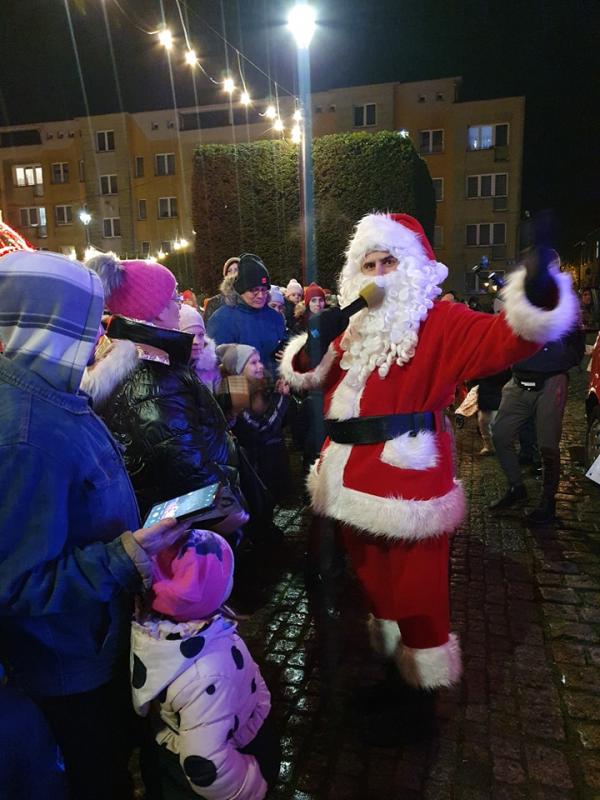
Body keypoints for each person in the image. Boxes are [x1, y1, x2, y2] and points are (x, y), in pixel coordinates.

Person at [279, 212, 577, 745]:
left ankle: (420, 703)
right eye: (369, 264)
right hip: (349, 482)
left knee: (417, 595)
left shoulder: (438, 319)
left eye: (388, 262)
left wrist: (536, 296)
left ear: (413, 267)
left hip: (406, 486)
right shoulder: (353, 328)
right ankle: (395, 678)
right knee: (376, 588)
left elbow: (504, 339)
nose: (378, 274)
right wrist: (318, 334)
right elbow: (305, 374)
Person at [0, 247, 190, 799]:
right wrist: (125, 554)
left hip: (89, 641)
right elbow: (16, 582)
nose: (98, 336)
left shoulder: (50, 394)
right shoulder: (24, 434)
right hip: (66, 665)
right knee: (97, 778)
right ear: (50, 326)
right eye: (87, 324)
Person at [82, 254, 243, 530]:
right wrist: (230, 511)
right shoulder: (153, 374)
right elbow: (183, 462)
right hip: (191, 525)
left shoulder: (137, 361)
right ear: (154, 309)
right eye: (173, 297)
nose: (180, 304)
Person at [131, 529, 280, 800]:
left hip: (173, 747)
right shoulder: (207, 673)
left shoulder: (155, 633)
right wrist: (249, 786)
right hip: (216, 767)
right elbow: (206, 763)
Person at [490, 289, 585, 524]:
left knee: (548, 445)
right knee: (500, 434)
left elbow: (577, 340)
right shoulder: (519, 297)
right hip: (518, 381)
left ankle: (547, 502)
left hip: (551, 380)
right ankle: (516, 487)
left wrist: (561, 361)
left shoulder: (564, 303)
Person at [217, 343, 292, 505]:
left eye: (259, 361)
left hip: (266, 464)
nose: (260, 366)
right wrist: (282, 399)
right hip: (252, 467)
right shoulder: (234, 392)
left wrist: (277, 393)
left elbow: (282, 422)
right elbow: (263, 429)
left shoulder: (260, 386)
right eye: (253, 363)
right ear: (238, 369)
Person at [207, 253, 286, 376]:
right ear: (241, 289)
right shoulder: (222, 319)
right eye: (254, 290)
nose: (260, 295)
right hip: (242, 386)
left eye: (264, 290)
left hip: (275, 386)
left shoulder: (275, 317)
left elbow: (284, 349)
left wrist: (287, 366)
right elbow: (215, 363)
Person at [179, 303, 220, 393]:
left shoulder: (210, 366)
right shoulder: (167, 372)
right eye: (190, 335)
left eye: (201, 335)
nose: (196, 341)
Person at [204, 257, 240, 323]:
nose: (233, 273)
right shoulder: (213, 303)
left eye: (236, 270)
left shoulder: (249, 299)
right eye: (229, 271)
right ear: (225, 276)